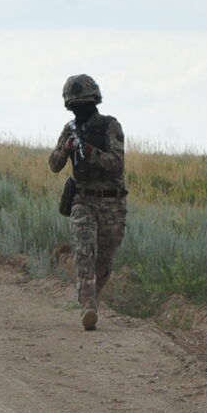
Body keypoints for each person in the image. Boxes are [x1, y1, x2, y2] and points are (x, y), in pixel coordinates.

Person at [47, 73, 128, 331]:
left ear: (94, 102)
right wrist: (66, 150)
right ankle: (88, 305)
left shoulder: (109, 127)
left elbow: (116, 164)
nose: (78, 110)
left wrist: (90, 152)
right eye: (74, 106)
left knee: (103, 261)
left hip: (112, 204)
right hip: (83, 200)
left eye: (83, 105)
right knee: (84, 252)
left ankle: (92, 296)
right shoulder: (70, 129)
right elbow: (54, 165)